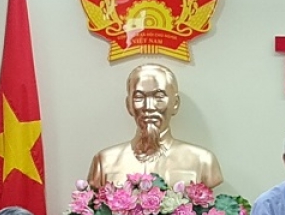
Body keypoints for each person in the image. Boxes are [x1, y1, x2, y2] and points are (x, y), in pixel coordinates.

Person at [88, 63, 224, 189]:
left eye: (159, 97)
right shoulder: (104, 162)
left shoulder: (202, 162)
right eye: (139, 97)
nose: (149, 107)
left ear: (175, 104)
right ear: (129, 105)